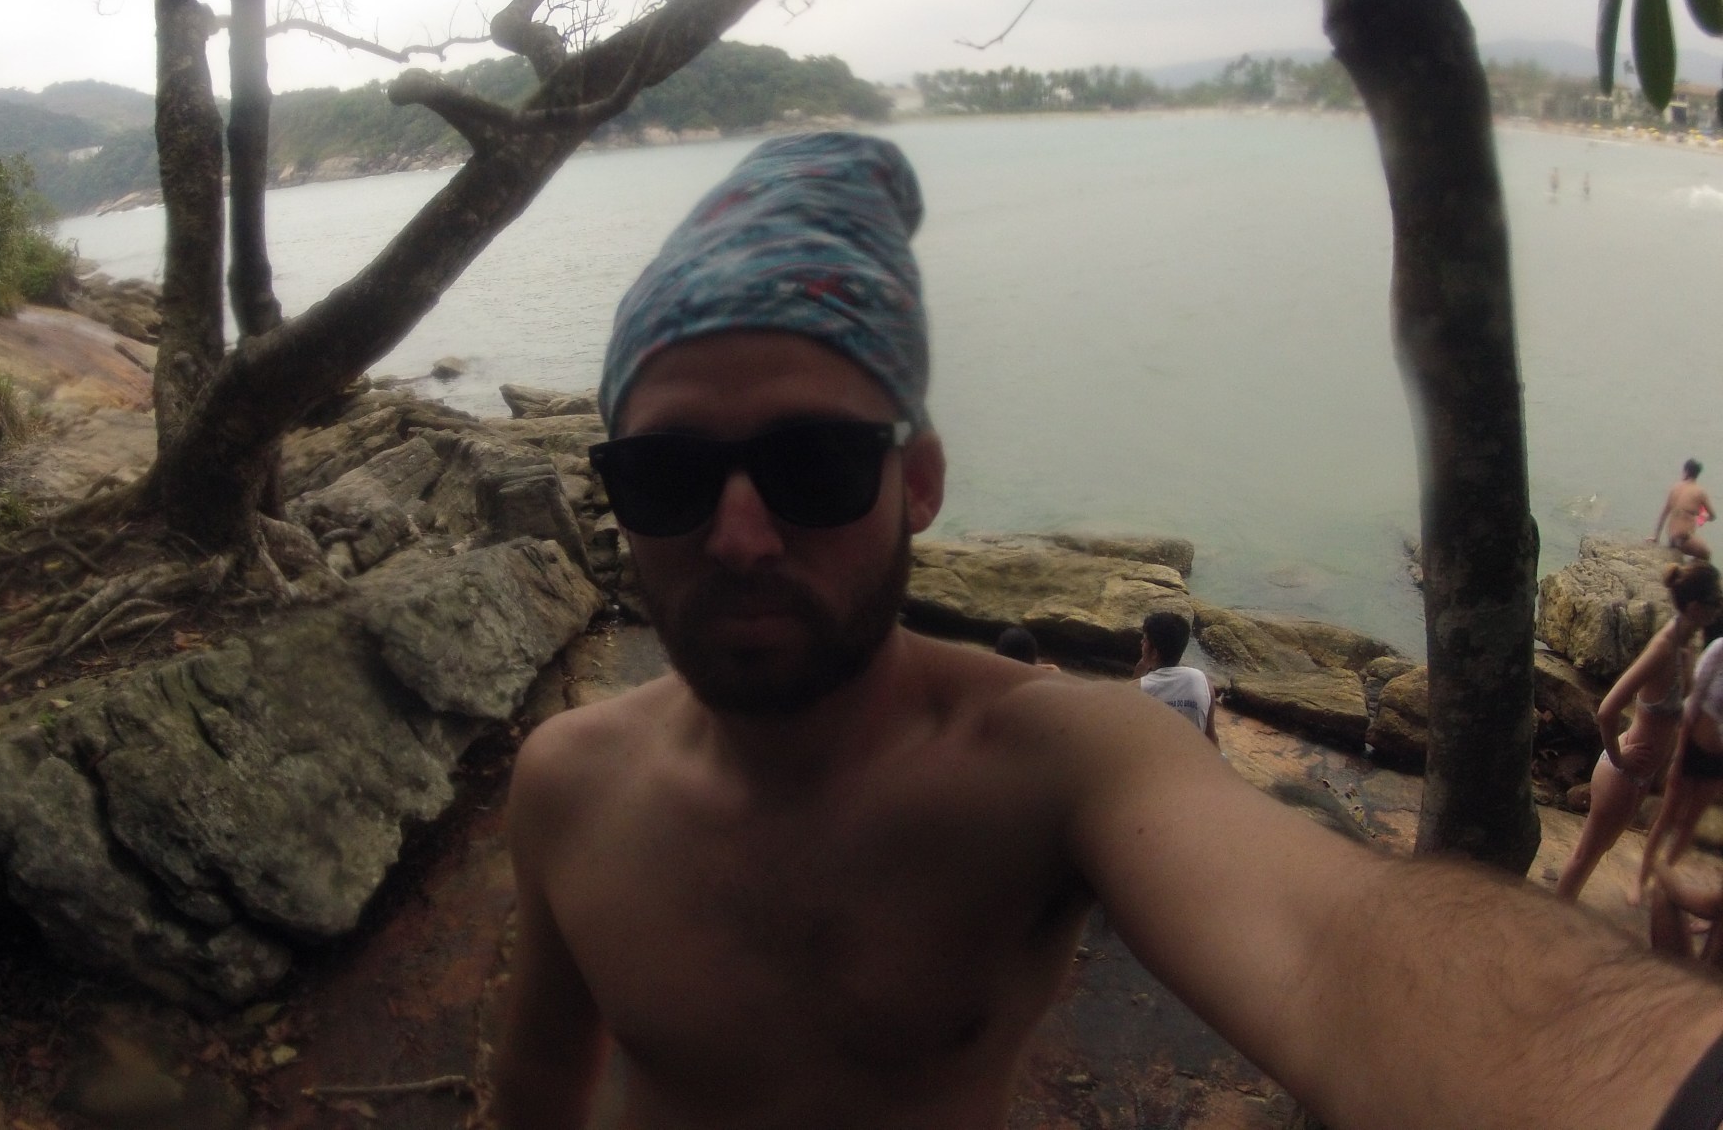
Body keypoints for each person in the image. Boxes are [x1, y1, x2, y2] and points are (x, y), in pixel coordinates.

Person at [495, 133, 1723, 1130]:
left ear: (917, 482)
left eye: (811, 464)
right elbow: (541, 1080)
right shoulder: (566, 782)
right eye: (665, 475)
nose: (738, 536)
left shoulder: (1055, 764)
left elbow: (1329, 948)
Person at [1555, 561, 1722, 901]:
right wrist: (1619, 758)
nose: (1720, 608)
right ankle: (1551, 919)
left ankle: (1560, 913)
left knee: (1597, 852)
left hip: (1639, 776)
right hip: (1622, 772)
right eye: (1715, 602)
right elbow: (1608, 709)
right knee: (1584, 855)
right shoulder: (1662, 649)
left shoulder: (1685, 649)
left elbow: (1683, 709)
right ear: (1695, 607)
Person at [1637, 603, 1723, 904]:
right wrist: (1677, 756)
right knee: (1667, 816)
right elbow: (1693, 701)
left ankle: (1662, 881)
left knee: (1689, 824)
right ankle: (1641, 880)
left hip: (1718, 761)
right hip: (1692, 746)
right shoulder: (1718, 650)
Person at [1134, 609, 1217, 745]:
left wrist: (1141, 668)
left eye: (1145, 640)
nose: (1141, 642)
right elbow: (1212, 738)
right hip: (1194, 756)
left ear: (1154, 653)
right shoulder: (1203, 681)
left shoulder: (1138, 688)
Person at [1656, 460, 1715, 562]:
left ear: (1686, 471)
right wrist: (1704, 517)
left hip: (1672, 537)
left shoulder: (1675, 488)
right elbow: (1713, 516)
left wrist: (1656, 536)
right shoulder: (1700, 492)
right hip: (1683, 539)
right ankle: (1691, 570)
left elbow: (1663, 514)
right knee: (1707, 554)